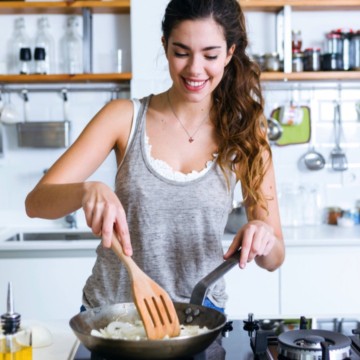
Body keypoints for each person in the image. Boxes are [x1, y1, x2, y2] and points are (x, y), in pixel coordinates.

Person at [25, 0, 284, 313]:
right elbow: (36, 202)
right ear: (165, 46)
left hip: (199, 315)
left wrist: (264, 235)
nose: (195, 68)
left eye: (210, 55)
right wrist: (85, 190)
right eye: (181, 52)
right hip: (113, 313)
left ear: (230, 53)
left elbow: (274, 259)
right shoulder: (122, 117)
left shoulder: (244, 133)